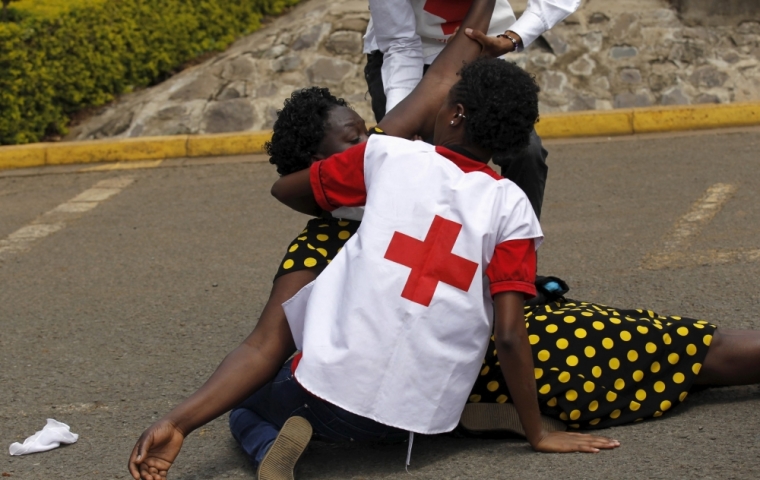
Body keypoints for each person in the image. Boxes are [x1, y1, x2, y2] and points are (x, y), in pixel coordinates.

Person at [128, 2, 619, 479]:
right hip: (425, 411)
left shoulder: (387, 160)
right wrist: (538, 434)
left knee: (247, 407)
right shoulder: (512, 204)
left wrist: (177, 421)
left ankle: (268, 452)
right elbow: (510, 335)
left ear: (453, 115)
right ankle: (468, 418)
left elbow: (264, 335)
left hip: (336, 404)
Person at [363, 0, 580, 218]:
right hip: (407, 54)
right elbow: (401, 45)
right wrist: (403, 124)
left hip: (485, 48)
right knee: (412, 157)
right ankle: (417, 243)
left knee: (526, 152)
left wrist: (513, 37)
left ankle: (518, 242)